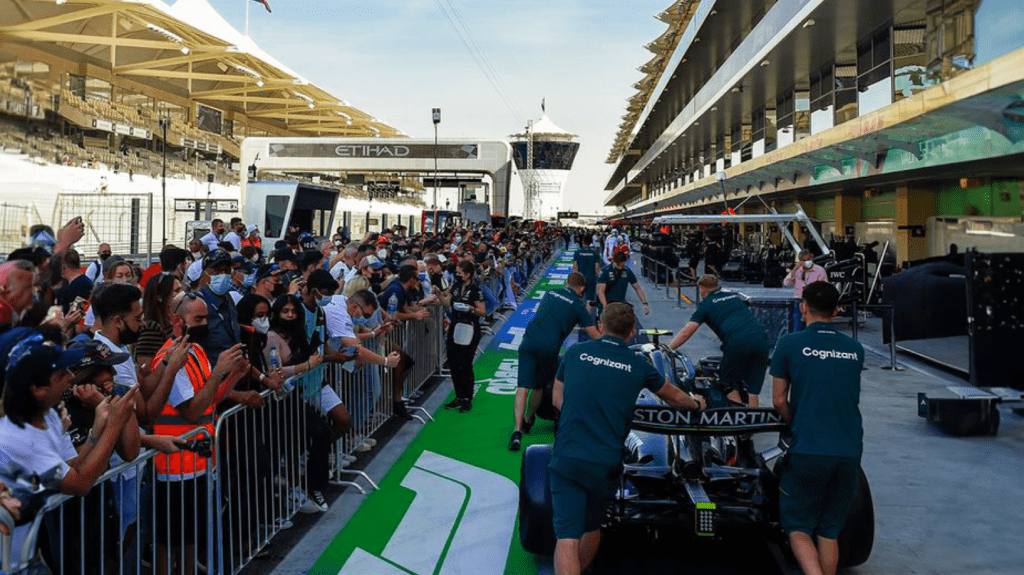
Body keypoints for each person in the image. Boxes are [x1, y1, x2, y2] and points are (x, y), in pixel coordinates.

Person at [550, 303, 703, 575]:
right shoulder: (638, 365)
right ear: (632, 332)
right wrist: (697, 404)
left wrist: (582, 414)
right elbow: (675, 397)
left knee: (567, 538)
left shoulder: (574, 352)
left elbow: (557, 397)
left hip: (568, 455)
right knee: (593, 526)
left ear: (600, 326)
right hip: (605, 461)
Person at [771, 281, 864, 575]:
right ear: (836, 311)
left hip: (809, 447)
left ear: (803, 308)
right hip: (849, 450)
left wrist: (795, 423)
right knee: (829, 530)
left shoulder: (788, 344)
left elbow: (777, 401)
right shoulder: (855, 349)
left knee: (798, 527)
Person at [151, 292, 247, 575]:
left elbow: (209, 400)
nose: (206, 324)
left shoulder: (198, 351)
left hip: (200, 462)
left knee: (192, 535)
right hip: (173, 467)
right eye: (199, 319)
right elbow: (191, 412)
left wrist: (234, 376)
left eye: (207, 317)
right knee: (170, 540)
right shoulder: (170, 358)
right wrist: (220, 373)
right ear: (178, 321)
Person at [510, 273, 600, 451]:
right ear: (581, 288)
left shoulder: (550, 292)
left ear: (568, 283)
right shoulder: (578, 306)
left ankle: (517, 431)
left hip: (528, 341)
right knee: (538, 387)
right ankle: (529, 419)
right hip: (549, 348)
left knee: (522, 388)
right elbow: (594, 335)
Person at [667, 274, 771, 406]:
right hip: (761, 340)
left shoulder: (706, 305)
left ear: (702, 289)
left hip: (737, 343)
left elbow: (687, 332)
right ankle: (753, 420)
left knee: (729, 385)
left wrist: (668, 348)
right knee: (753, 389)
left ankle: (735, 419)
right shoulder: (735, 298)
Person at [440, 260, 485, 413]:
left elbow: (482, 310)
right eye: (457, 273)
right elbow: (446, 304)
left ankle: (467, 398)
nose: (458, 275)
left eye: (460, 273)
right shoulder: (455, 286)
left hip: (470, 328)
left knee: (465, 364)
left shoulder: (475, 290)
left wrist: (471, 308)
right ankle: (459, 396)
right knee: (453, 363)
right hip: (455, 326)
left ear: (468, 274)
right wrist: (438, 294)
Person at [136, 272, 184, 368]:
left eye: (182, 289)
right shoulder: (150, 328)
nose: (182, 294)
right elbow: (145, 370)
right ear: (160, 297)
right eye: (177, 291)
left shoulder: (178, 320)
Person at [784, 250, 829, 331]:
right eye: (804, 260)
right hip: (799, 301)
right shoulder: (797, 271)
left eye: (808, 259)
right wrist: (795, 269)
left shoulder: (820, 270)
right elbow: (786, 283)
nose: (806, 262)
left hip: (813, 301)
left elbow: (825, 287)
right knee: (797, 327)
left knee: (812, 327)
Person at [596, 251, 649, 319]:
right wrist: (605, 306)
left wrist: (645, 303)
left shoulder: (627, 271)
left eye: (622, 264)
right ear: (614, 261)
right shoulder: (605, 272)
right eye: (618, 265)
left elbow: (637, 288)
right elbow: (601, 291)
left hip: (620, 305)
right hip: (606, 305)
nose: (620, 267)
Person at [572, 235, 601, 308]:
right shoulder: (594, 253)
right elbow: (597, 268)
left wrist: (573, 278)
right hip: (591, 278)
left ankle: (578, 316)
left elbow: (575, 267)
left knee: (578, 298)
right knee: (589, 300)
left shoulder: (577, 253)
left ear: (582, 242)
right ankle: (588, 316)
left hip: (580, 278)